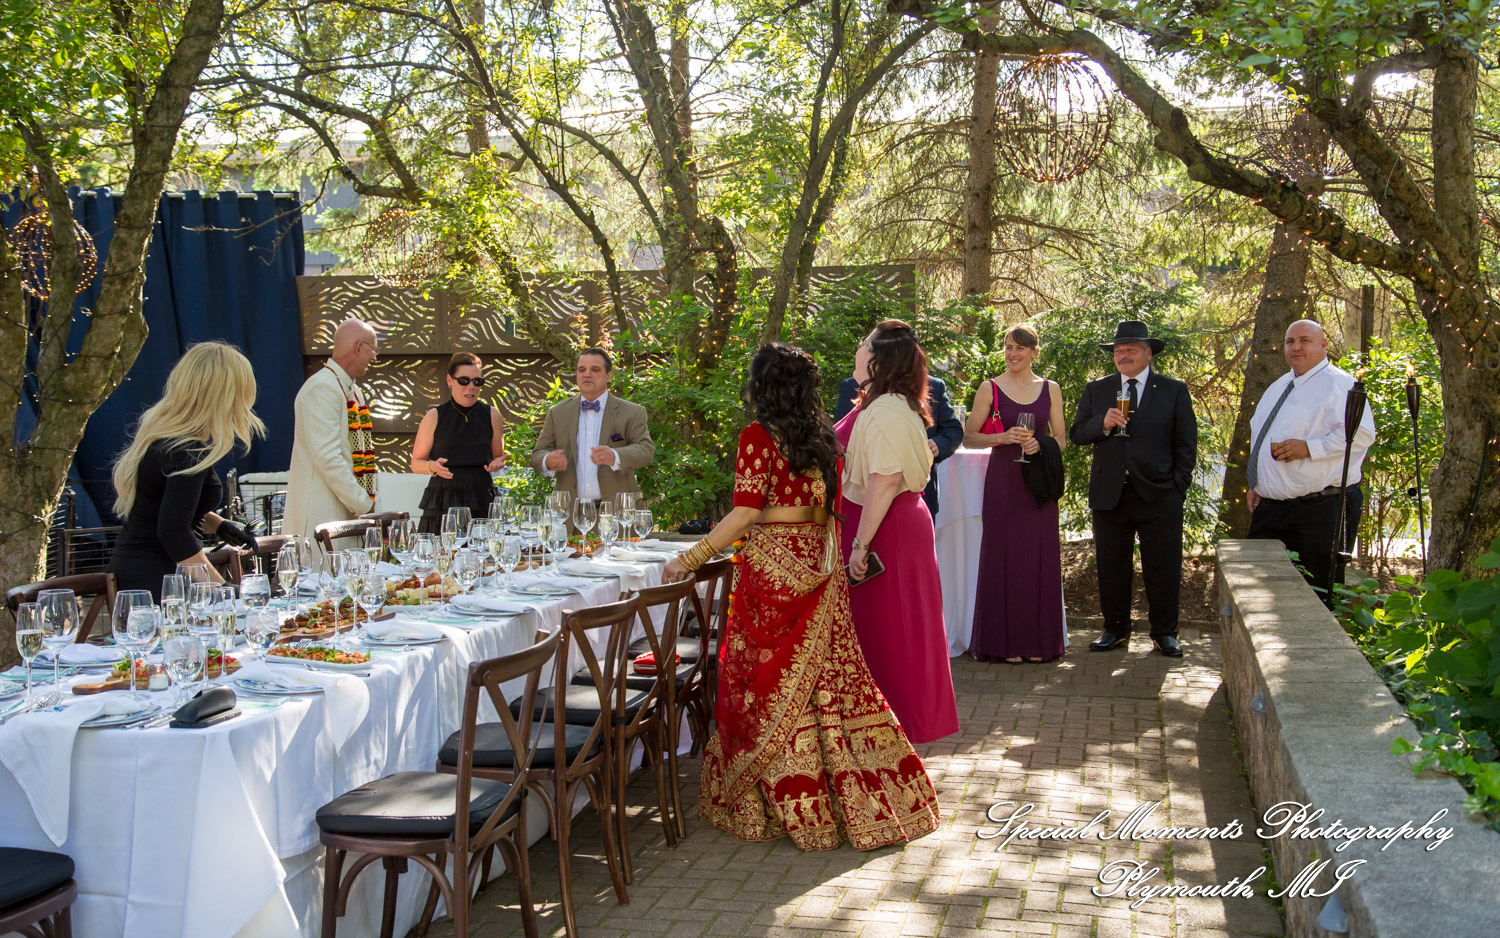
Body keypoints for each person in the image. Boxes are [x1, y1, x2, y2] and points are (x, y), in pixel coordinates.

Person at [664, 342, 940, 851]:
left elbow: (746, 513)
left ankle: (773, 801)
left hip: (772, 565)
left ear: (762, 385)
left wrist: (689, 558)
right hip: (820, 562)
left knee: (763, 679)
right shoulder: (822, 438)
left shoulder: (757, 435)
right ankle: (867, 796)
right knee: (830, 679)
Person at [835, 320, 959, 744]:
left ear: (876, 358)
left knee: (896, 630)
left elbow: (885, 479)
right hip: (889, 521)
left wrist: (860, 545)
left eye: (862, 344)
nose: (857, 350)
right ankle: (886, 728)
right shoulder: (886, 401)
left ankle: (899, 726)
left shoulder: (887, 407)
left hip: (887, 528)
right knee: (883, 631)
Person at [1069, 320, 1197, 657]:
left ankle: (1165, 632)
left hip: (1159, 494)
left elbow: (1186, 445)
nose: (1123, 355)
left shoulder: (1172, 390)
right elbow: (1078, 433)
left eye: (1131, 349)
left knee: (1163, 565)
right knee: (1112, 565)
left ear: (1148, 353)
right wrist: (1103, 423)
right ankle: (1115, 630)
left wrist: (1177, 487)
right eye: (1118, 351)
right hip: (1110, 493)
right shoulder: (1098, 389)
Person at [107, 342, 263, 597]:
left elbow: (168, 510)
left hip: (141, 576)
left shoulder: (169, 437)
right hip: (158, 584)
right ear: (224, 396)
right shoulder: (187, 450)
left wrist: (221, 525)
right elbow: (172, 530)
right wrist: (222, 589)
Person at [1247, 319, 1376, 602]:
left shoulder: (1340, 385)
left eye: (1304, 340)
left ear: (1323, 345)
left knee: (1314, 598)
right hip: (1271, 510)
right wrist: (1257, 483)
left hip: (1320, 510)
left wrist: (1310, 448)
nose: (1296, 347)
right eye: (1290, 342)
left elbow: (1363, 435)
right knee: (1261, 595)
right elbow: (1260, 434)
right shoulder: (1280, 385)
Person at [963, 324, 1067, 663]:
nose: (1012, 354)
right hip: (1003, 483)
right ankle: (1004, 645)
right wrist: (1002, 438)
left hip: (1038, 486)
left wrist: (1043, 444)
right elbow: (968, 437)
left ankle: (1038, 644)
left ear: (1035, 352)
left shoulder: (1051, 388)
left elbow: (1061, 440)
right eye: (1008, 347)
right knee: (1003, 558)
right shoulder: (989, 388)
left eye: (1020, 348)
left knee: (1037, 558)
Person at [284, 318, 380, 543]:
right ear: (358, 347)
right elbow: (327, 458)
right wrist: (363, 503)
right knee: (325, 577)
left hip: (346, 513)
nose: (375, 357)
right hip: (322, 513)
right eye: (373, 349)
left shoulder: (352, 389)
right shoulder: (321, 388)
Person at [528, 346, 654, 509]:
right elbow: (537, 454)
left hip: (617, 514)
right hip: (569, 516)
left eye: (595, 369)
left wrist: (614, 455)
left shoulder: (632, 412)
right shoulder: (557, 413)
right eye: (581, 370)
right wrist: (547, 460)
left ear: (609, 375)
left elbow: (646, 451)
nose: (587, 374)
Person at [835, 370, 964, 518]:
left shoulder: (933, 385)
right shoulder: (852, 385)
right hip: (864, 494)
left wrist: (939, 444)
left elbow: (954, 430)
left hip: (917, 496)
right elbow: (841, 438)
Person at [411, 352, 506, 534]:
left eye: (477, 382)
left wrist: (496, 463)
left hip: (481, 496)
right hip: (444, 498)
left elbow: (496, 456)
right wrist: (432, 466)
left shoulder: (492, 415)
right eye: (464, 380)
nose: (471, 387)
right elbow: (416, 463)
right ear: (450, 381)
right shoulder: (434, 416)